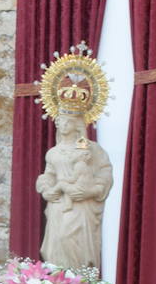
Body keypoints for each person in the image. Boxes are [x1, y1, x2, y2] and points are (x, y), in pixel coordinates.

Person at [36, 112, 114, 272]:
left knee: (71, 239)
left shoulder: (91, 149)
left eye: (67, 122)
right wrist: (47, 190)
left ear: (76, 124)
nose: (62, 125)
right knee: (56, 244)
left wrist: (92, 191)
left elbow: (105, 172)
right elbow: (49, 175)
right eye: (60, 122)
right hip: (58, 204)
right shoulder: (54, 152)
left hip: (81, 204)